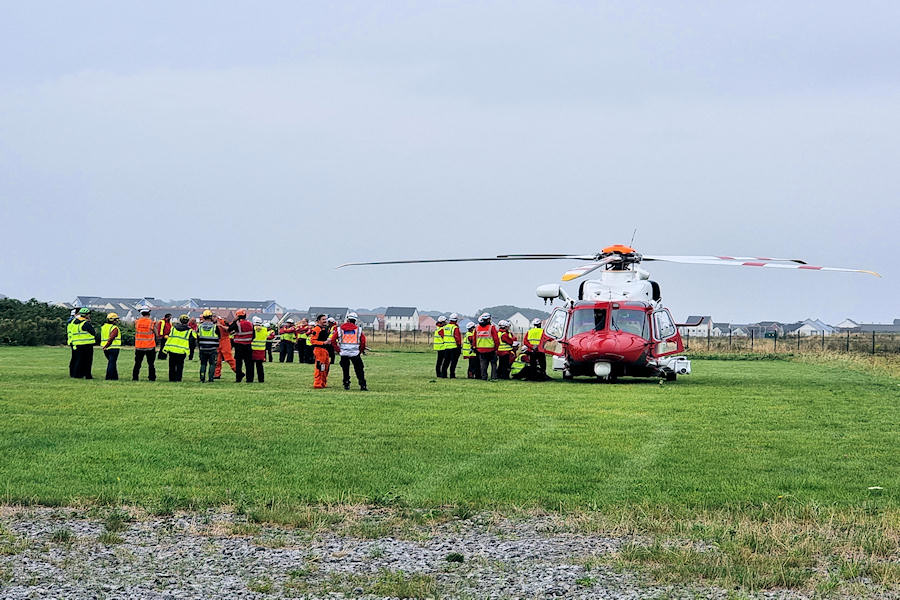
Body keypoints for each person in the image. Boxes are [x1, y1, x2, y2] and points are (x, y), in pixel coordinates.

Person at [337, 312, 368, 391]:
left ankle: (346, 384)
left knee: (345, 369)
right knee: (359, 369)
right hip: (355, 353)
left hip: (344, 353)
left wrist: (338, 350)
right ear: (355, 320)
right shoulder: (358, 330)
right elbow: (363, 341)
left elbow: (333, 340)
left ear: (348, 319)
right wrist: (360, 351)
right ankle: (362, 385)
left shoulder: (340, 329)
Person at [163, 315, 195, 382]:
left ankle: (171, 379)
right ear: (187, 321)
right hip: (182, 350)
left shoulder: (173, 328)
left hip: (172, 349)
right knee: (180, 365)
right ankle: (178, 378)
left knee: (172, 365)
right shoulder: (190, 331)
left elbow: (168, 336)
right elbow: (193, 341)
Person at [229, 308, 255, 383]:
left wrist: (234, 321)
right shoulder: (250, 324)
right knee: (249, 363)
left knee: (238, 363)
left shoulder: (237, 324)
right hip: (248, 346)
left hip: (239, 346)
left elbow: (229, 329)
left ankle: (238, 378)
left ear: (237, 316)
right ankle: (250, 379)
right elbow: (254, 335)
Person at [70, 307, 97, 379]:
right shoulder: (85, 323)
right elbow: (93, 332)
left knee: (78, 360)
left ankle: (76, 374)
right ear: (86, 315)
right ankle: (88, 375)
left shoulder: (73, 322)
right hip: (87, 344)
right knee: (88, 361)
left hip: (77, 344)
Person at [133, 306, 157, 381]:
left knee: (137, 363)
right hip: (150, 346)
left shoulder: (137, 322)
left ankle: (135, 377)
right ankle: (152, 378)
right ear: (149, 313)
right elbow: (157, 333)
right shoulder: (151, 322)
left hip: (139, 346)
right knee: (151, 364)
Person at [474, 312, 500, 381]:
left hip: (480, 350)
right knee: (493, 364)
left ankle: (484, 377)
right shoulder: (491, 327)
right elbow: (496, 339)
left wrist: (475, 347)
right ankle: (494, 377)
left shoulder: (477, 328)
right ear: (488, 319)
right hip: (491, 349)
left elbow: (474, 339)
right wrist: (496, 348)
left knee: (483, 364)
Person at [196, 310, 220, 383]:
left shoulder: (200, 326)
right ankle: (211, 378)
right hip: (212, 349)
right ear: (211, 317)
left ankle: (202, 378)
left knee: (203, 364)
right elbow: (219, 336)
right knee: (212, 364)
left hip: (203, 348)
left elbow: (197, 336)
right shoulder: (215, 326)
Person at [309, 314, 332, 389]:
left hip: (325, 350)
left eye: (325, 319)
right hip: (319, 350)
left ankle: (323, 383)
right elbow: (312, 341)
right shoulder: (317, 329)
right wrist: (323, 343)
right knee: (320, 367)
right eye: (323, 319)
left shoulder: (324, 328)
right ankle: (318, 384)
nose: (325, 321)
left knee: (325, 367)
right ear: (319, 320)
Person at [100, 312, 122, 380]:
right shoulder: (114, 328)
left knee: (112, 362)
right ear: (113, 320)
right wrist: (107, 345)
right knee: (112, 362)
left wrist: (105, 346)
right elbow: (111, 338)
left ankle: (115, 377)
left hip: (105, 348)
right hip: (113, 347)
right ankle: (109, 377)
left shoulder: (103, 327)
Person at [442, 313, 462, 378]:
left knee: (446, 362)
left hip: (446, 347)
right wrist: (459, 345)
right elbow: (457, 338)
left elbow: (441, 334)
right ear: (456, 320)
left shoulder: (445, 327)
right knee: (453, 362)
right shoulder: (455, 328)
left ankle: (444, 374)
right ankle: (452, 374)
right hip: (454, 347)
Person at [250, 316, 268, 383]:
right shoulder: (264, 330)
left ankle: (250, 379)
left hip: (252, 349)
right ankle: (261, 379)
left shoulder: (252, 329)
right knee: (260, 366)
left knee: (251, 366)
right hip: (261, 350)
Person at [66, 308, 77, 377]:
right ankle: (74, 373)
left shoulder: (70, 321)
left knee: (74, 358)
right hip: (75, 341)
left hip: (72, 341)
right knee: (76, 358)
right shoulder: (74, 322)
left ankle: (72, 372)